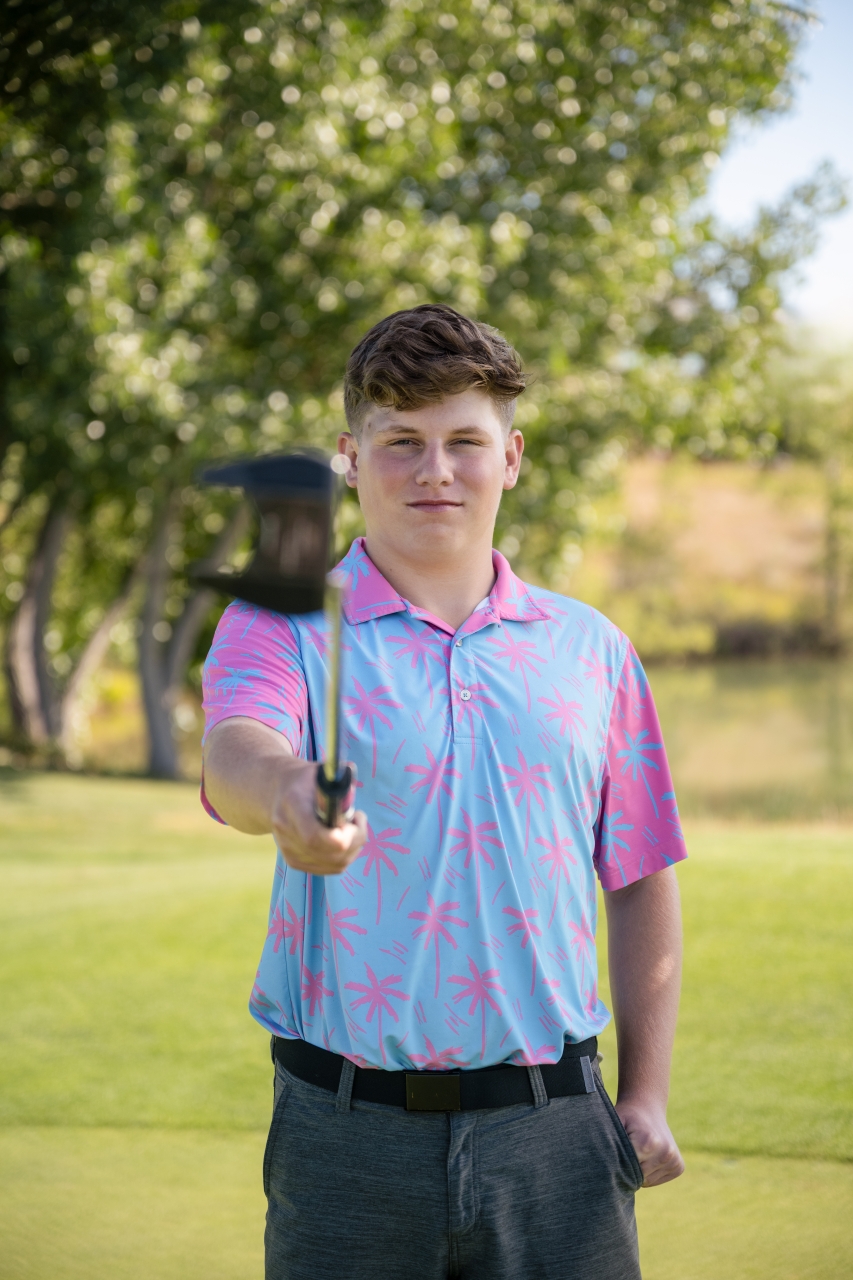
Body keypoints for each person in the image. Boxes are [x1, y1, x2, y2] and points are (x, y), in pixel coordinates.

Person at [201, 303, 686, 1280]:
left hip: (558, 1129)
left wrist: (645, 1094)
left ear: (511, 457)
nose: (435, 470)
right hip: (344, 1137)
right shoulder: (282, 623)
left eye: (464, 440)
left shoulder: (591, 649)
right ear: (349, 457)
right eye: (400, 442)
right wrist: (288, 791)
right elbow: (235, 752)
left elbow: (638, 875)